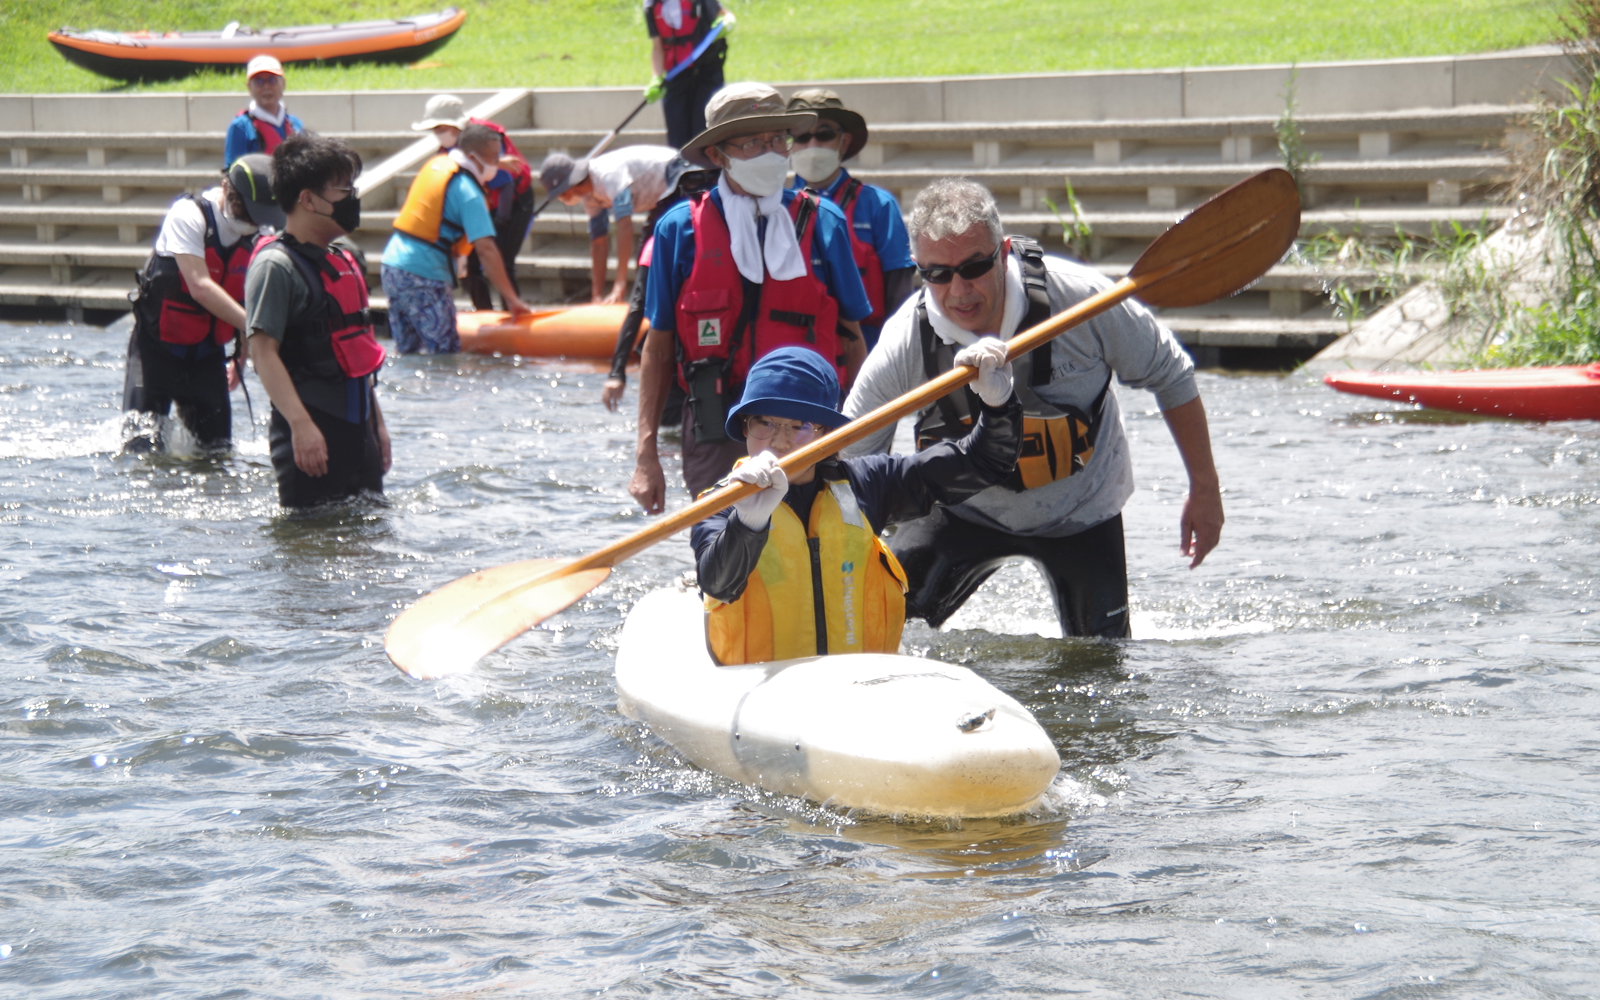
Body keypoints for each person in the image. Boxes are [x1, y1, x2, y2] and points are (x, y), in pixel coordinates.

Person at [842, 178, 1225, 639]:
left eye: (975, 267)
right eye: (937, 275)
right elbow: (853, 464)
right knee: (874, 630)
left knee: (1099, 664)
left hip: (1081, 512)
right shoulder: (905, 341)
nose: (959, 291)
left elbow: (1172, 373)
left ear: (1003, 253)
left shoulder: (1083, 301)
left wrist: (1205, 488)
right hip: (957, 513)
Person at [691, 344, 1021, 664]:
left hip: (858, 681)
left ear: (826, 435)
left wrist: (998, 405)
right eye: (765, 422)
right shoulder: (721, 503)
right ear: (745, 425)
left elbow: (982, 463)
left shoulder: (867, 483)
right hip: (763, 689)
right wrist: (747, 523)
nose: (779, 441)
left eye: (800, 425)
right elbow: (718, 584)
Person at [630, 82, 874, 513]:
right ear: (716, 154)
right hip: (715, 421)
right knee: (721, 545)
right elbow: (659, 345)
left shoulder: (825, 222)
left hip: (808, 426)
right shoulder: (678, 230)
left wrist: (864, 437)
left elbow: (853, 338)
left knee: (813, 542)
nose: (771, 152)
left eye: (778, 140)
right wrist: (646, 454)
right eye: (753, 143)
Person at [245, 133, 391, 508]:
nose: (352, 199)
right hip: (311, 435)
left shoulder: (343, 258)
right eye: (343, 190)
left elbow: (355, 353)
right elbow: (263, 354)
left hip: (359, 431)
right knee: (310, 548)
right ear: (308, 199)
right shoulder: (275, 266)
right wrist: (300, 425)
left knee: (371, 542)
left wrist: (377, 424)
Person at [122, 153, 283, 453]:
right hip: (155, 351)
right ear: (225, 188)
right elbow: (200, 286)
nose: (251, 221)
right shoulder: (188, 214)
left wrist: (242, 356)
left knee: (217, 452)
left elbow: (248, 297)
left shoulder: (263, 231)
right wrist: (258, 329)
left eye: (259, 215)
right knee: (140, 451)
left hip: (207, 356)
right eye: (245, 210)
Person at [380, 122, 532, 354]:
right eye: (493, 157)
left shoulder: (438, 164)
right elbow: (486, 250)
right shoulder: (469, 194)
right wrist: (512, 299)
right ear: (474, 156)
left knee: (408, 351)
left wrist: (496, 161)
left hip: (393, 267)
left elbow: (472, 161)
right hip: (423, 276)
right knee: (444, 353)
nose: (496, 163)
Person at [786, 89, 915, 350]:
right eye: (801, 136)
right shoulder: (775, 206)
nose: (812, 145)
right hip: (797, 351)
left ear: (843, 142)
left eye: (824, 135)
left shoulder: (878, 205)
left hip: (868, 351)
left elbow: (900, 296)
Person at [598, 164, 718, 416]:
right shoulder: (663, 240)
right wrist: (616, 373)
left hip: (712, 357)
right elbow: (637, 308)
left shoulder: (731, 232)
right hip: (673, 358)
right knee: (672, 430)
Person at [411, 94, 536, 311]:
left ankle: (513, 311)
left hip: (512, 203)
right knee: (469, 268)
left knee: (503, 261)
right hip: (480, 206)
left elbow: (506, 182)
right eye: (435, 129)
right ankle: (485, 312)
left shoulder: (483, 139)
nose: (439, 133)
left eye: (442, 127)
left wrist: (500, 221)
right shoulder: (448, 152)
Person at [540, 144, 681, 304]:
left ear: (571, 185)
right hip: (659, 198)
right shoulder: (588, 198)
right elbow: (599, 242)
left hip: (675, 173)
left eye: (562, 193)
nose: (563, 199)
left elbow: (624, 226)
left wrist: (619, 285)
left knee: (651, 256)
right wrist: (596, 295)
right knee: (645, 259)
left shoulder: (608, 176)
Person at [644, 0, 731, 150]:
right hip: (676, 76)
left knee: (703, 129)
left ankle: (708, 171)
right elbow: (657, 47)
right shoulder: (651, 5)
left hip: (707, 74)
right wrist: (656, 78)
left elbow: (724, 15)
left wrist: (728, 22)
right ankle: (680, 170)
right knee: (677, 134)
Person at [223, 56, 304, 168]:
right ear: (249, 87)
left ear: (283, 84)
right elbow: (232, 173)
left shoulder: (295, 125)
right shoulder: (241, 126)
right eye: (259, 81)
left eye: (272, 80)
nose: (266, 87)